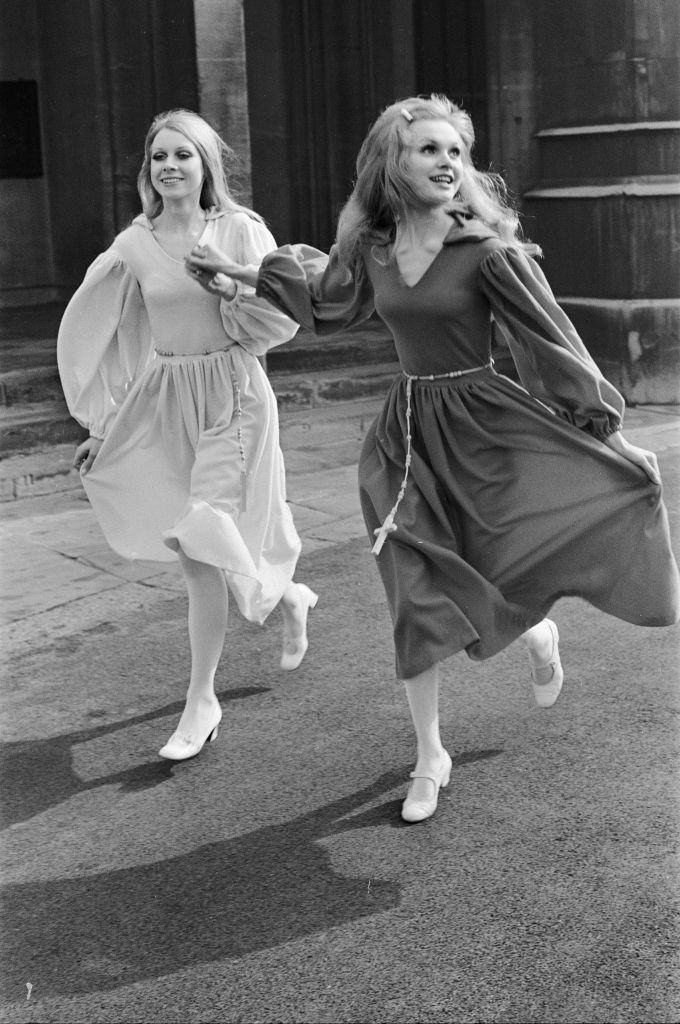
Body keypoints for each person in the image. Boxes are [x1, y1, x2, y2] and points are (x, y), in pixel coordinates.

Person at [185, 94, 680, 821]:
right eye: (430, 150)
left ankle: (534, 628)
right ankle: (430, 755)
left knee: (498, 565)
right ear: (395, 160)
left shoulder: (485, 250)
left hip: (483, 428)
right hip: (404, 437)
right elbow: (329, 300)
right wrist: (244, 276)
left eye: (456, 151)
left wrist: (609, 434)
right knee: (414, 596)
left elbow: (547, 342)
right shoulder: (375, 249)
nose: (448, 163)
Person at [58, 109, 318, 763]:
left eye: (183, 155)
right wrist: (105, 426)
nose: (170, 167)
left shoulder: (240, 229)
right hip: (170, 399)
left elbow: (279, 321)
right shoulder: (134, 247)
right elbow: (109, 338)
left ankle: (201, 702)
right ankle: (287, 592)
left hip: (235, 397)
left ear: (206, 166)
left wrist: (228, 280)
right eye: (158, 157)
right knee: (205, 543)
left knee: (200, 541)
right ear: (147, 170)